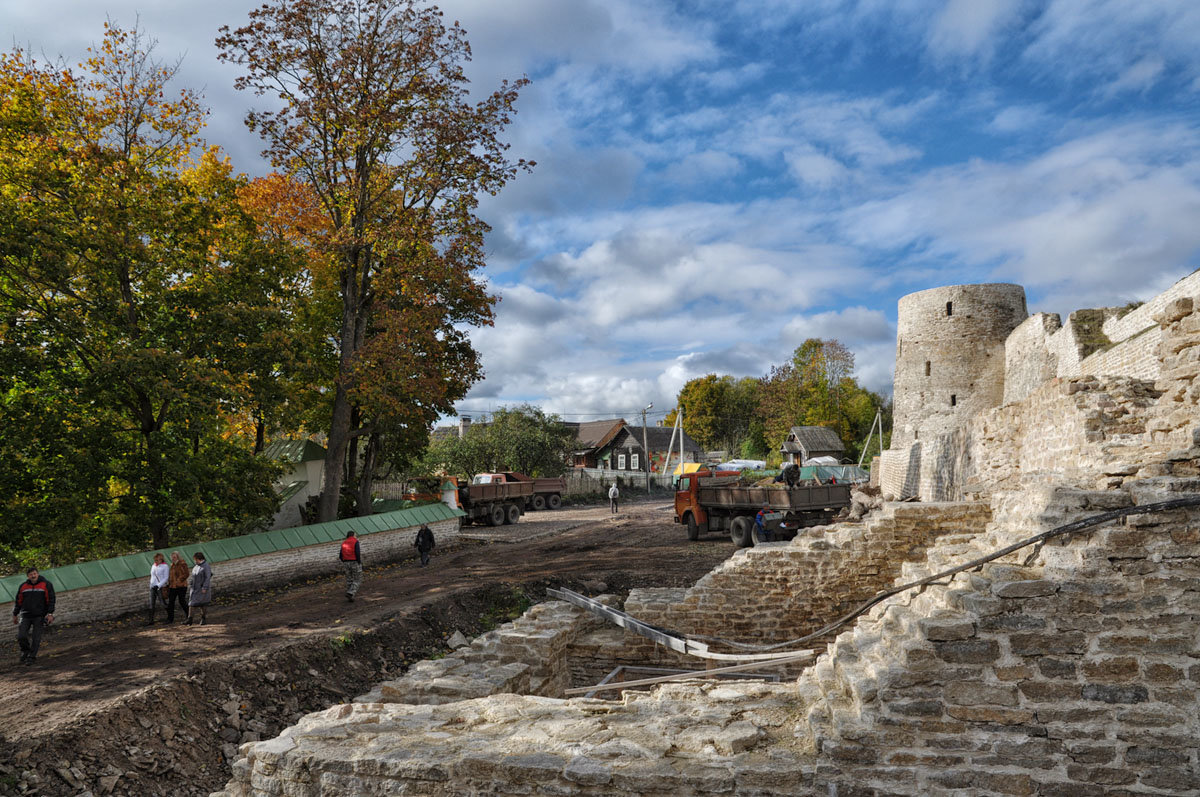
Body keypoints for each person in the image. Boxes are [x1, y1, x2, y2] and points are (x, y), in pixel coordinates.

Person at [13, 567, 55, 665]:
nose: (33, 575)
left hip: (39, 616)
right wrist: (15, 614)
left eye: (35, 573)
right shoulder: (23, 586)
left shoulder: (46, 584)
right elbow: (18, 601)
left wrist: (50, 614)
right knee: (21, 636)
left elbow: (51, 600)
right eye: (31, 574)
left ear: (38, 574)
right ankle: (26, 651)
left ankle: (31, 657)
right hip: (25, 615)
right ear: (28, 576)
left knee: (36, 637)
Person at [186, 552, 212, 626]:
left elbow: (207, 577)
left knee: (203, 604)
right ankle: (189, 619)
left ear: (200, 559)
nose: (195, 561)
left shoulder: (206, 566)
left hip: (202, 588)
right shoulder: (196, 566)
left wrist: (205, 587)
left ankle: (203, 618)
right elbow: (194, 576)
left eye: (196, 559)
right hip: (195, 588)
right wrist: (191, 582)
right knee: (191, 603)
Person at [165, 551, 190, 623]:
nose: (173, 559)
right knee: (171, 602)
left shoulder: (182, 564)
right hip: (172, 587)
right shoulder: (172, 565)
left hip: (181, 586)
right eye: (172, 557)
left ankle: (189, 616)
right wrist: (169, 583)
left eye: (174, 557)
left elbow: (186, 574)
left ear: (178, 557)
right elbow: (171, 576)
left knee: (182, 601)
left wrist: (179, 580)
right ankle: (170, 619)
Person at [146, 553, 169, 625]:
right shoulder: (153, 565)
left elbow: (166, 577)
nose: (155, 561)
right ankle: (150, 620)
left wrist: (158, 585)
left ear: (161, 559)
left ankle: (170, 616)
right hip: (152, 587)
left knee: (162, 603)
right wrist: (151, 584)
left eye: (157, 560)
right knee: (151, 604)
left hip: (160, 587)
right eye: (155, 560)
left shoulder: (165, 566)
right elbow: (152, 576)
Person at [340, 531, 362, 601]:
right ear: (353, 535)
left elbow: (340, 555)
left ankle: (350, 596)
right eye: (355, 535)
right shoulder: (355, 541)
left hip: (346, 563)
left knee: (349, 579)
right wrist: (359, 561)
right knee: (357, 579)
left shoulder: (344, 543)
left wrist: (344, 561)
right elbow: (357, 552)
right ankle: (351, 593)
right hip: (354, 562)